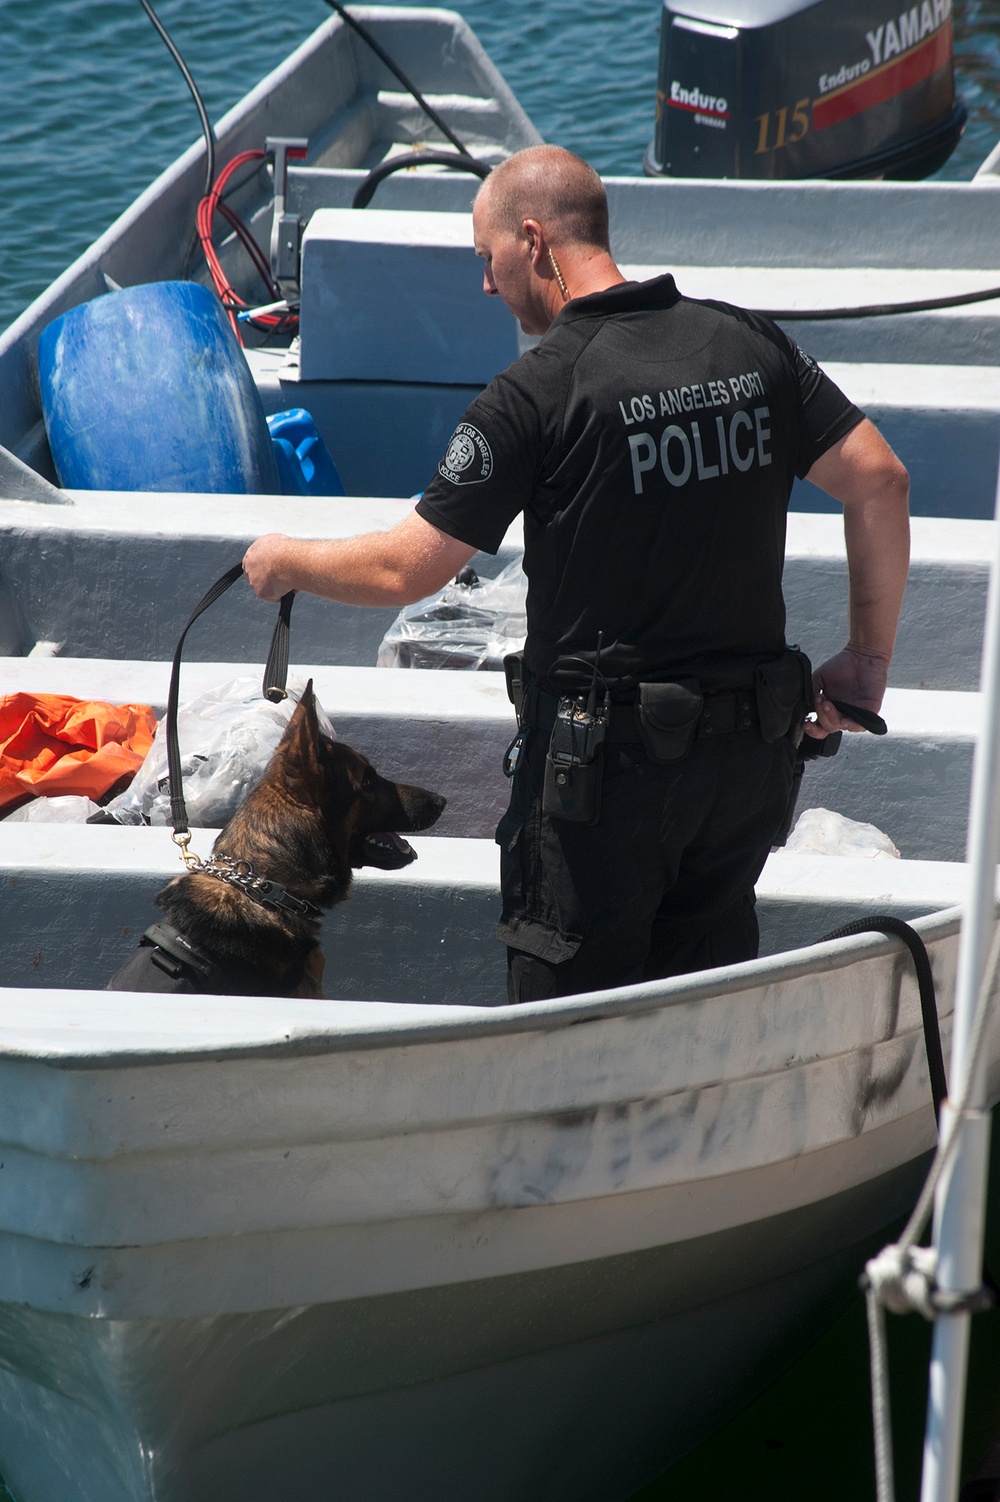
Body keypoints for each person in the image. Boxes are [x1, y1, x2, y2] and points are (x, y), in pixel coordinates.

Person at [243, 145, 910, 1003]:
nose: (485, 285)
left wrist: (284, 559)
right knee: (704, 1005)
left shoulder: (534, 394)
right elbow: (880, 478)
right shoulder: (747, 343)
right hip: (744, 768)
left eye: (486, 258)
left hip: (604, 791)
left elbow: (405, 568)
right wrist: (868, 659)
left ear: (532, 241)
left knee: (569, 1029)